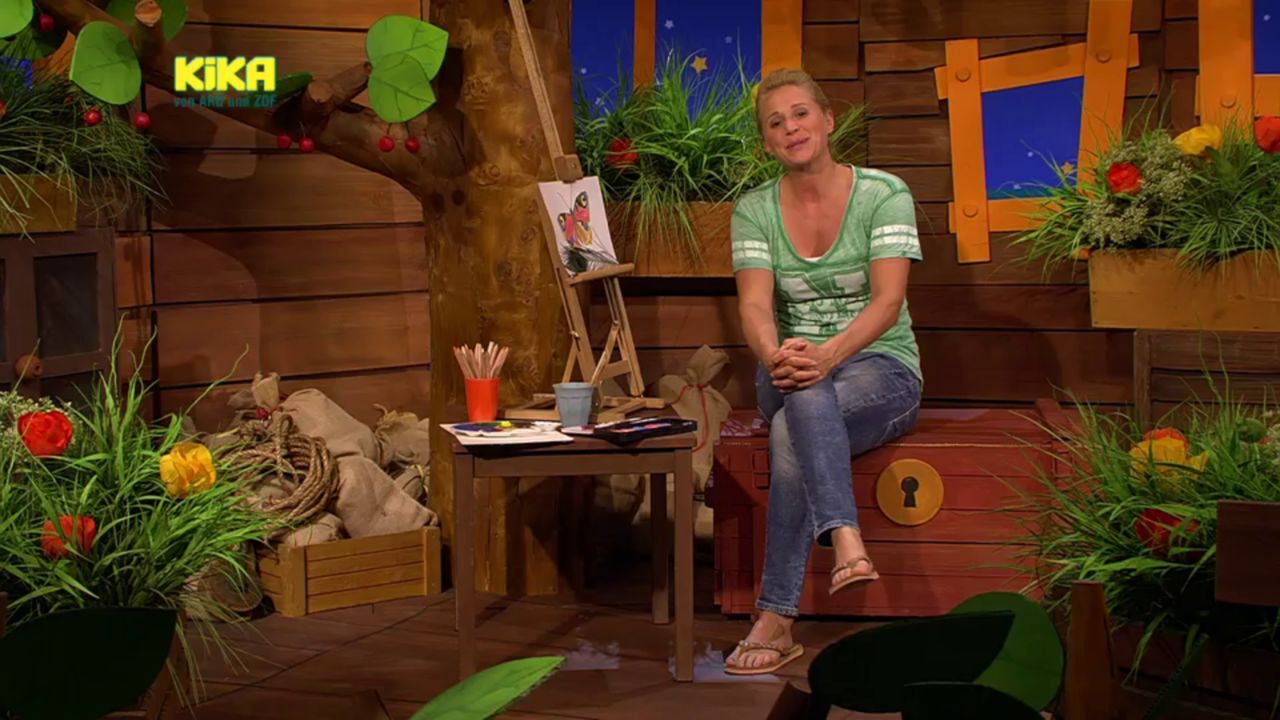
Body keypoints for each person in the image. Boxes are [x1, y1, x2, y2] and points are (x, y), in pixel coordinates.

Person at [723, 68, 925, 675]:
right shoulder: (754, 209)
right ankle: (845, 539)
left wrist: (827, 355)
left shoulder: (884, 194)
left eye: (800, 114)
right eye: (775, 122)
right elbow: (754, 307)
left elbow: (887, 302)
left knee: (793, 426)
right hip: (785, 366)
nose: (791, 128)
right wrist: (774, 354)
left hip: (880, 368)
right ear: (767, 142)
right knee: (803, 389)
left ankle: (776, 616)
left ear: (828, 120)